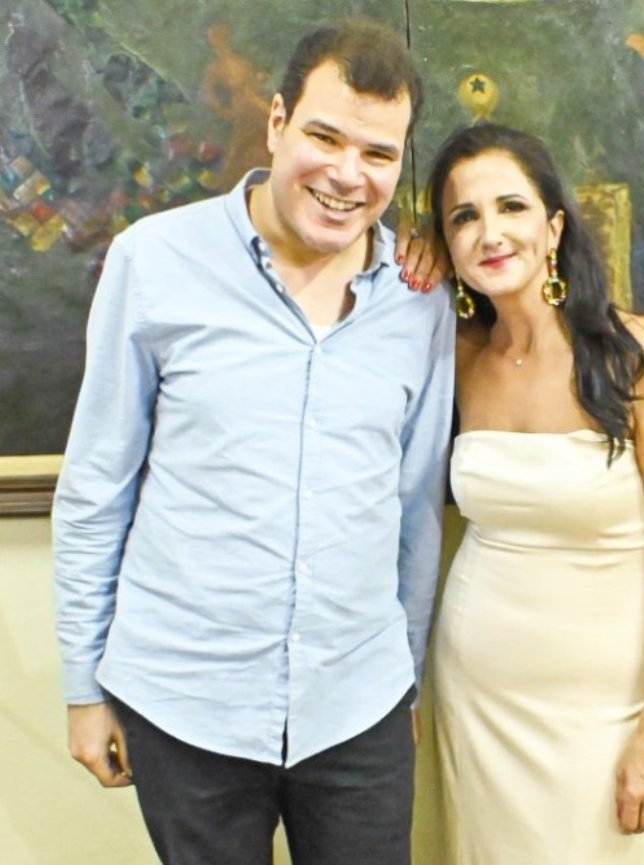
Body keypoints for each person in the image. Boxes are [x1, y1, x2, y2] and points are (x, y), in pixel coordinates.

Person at [52, 20, 454, 865]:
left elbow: (414, 506)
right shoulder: (154, 262)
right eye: (324, 137)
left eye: (378, 154)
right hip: (185, 703)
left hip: (358, 704)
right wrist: (84, 685)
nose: (347, 175)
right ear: (276, 122)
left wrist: (406, 682)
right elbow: (97, 485)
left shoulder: (418, 301)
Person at [427, 123, 644, 864]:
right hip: (476, 688)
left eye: (511, 207)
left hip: (600, 706)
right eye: (463, 217)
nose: (490, 233)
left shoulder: (638, 355)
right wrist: (407, 253)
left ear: (553, 226)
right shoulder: (456, 356)